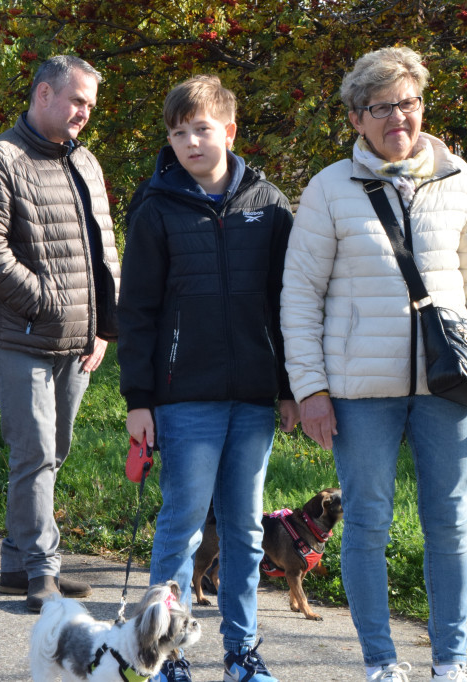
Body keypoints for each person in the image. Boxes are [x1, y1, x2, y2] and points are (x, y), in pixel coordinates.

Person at [281, 47, 467, 682]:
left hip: (449, 386)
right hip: (358, 392)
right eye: (382, 108)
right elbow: (300, 295)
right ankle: (381, 661)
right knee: (367, 523)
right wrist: (311, 388)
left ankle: (451, 661)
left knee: (450, 524)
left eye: (408, 103)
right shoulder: (327, 189)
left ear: (421, 105)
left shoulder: (460, 180)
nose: (398, 117)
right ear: (357, 118)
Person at [118, 74, 295, 682]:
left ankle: (242, 654)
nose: (190, 142)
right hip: (182, 398)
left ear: (230, 131)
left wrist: (293, 387)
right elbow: (137, 311)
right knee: (182, 527)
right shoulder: (156, 207)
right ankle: (166, 654)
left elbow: (288, 303)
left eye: (201, 129)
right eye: (177, 132)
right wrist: (139, 398)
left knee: (246, 532)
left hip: (252, 398)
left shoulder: (270, 205)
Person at [0, 55, 120, 613]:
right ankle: (42, 570)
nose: (85, 115)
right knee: (35, 454)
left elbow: (104, 251)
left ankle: (13, 563)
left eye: (91, 106)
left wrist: (104, 326)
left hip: (78, 342)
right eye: (78, 101)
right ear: (43, 93)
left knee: (55, 453)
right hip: (21, 337)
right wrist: (48, 304)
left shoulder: (87, 163)